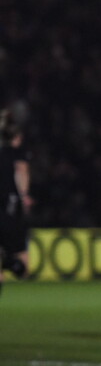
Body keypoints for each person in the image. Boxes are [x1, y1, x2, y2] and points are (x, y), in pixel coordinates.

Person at [0, 109, 32, 298]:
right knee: (23, 267)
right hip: (10, 210)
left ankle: (7, 262)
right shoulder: (16, 155)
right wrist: (24, 196)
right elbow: (22, 171)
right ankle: (11, 263)